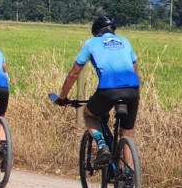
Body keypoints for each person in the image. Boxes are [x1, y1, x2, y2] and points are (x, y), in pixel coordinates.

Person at [56, 16, 140, 165]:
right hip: (132, 89)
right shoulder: (125, 42)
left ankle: (102, 145)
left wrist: (62, 98)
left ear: (95, 31)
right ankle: (129, 176)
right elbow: (135, 70)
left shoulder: (91, 43)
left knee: (88, 114)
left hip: (108, 90)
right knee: (127, 132)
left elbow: (74, 73)